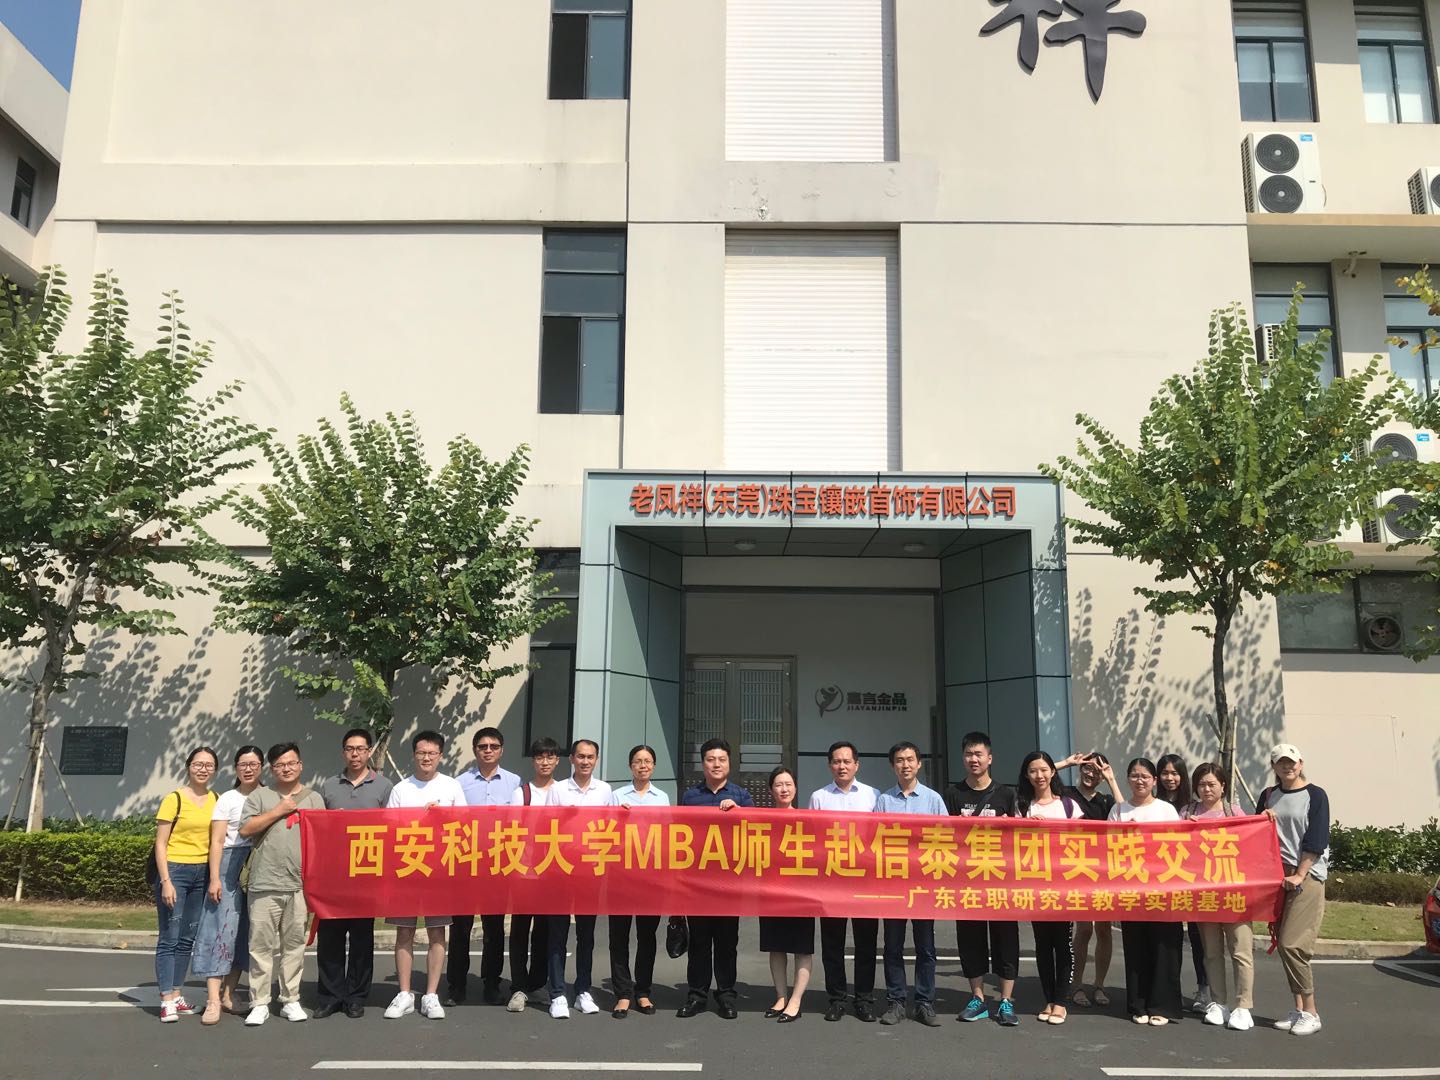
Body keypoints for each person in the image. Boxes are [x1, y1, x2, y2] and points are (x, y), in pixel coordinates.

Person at [239, 742, 326, 1027]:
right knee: (260, 946)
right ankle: (259, 1002)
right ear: (272, 769)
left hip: (300, 885)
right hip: (264, 882)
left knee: (294, 945)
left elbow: (324, 837)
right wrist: (279, 810)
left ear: (300, 765)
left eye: (291, 763)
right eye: (280, 765)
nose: (286, 768)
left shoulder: (314, 798)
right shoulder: (260, 796)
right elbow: (246, 829)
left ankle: (290, 999)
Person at [383, 729, 466, 1021]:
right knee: (403, 932)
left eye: (431, 753)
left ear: (440, 755)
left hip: (439, 870)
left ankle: (431, 994)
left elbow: (465, 825)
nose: (426, 758)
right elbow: (389, 828)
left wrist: (443, 815)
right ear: (414, 755)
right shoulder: (401, 788)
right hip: (407, 869)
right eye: (421, 752)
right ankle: (405, 993)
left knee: (437, 932)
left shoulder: (452, 786)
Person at [315, 728, 394, 1018]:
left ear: (369, 752)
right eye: (350, 749)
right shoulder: (329, 786)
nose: (355, 754)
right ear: (343, 752)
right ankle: (330, 996)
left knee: (362, 939)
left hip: (367, 873)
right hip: (334, 875)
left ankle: (356, 996)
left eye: (361, 749)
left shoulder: (384, 786)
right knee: (330, 938)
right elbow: (318, 829)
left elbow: (393, 827)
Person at [945, 731, 1021, 1028]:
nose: (973, 759)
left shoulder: (1006, 794)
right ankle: (977, 998)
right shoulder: (953, 794)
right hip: (967, 882)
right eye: (968, 754)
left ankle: (1006, 1001)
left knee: (1006, 940)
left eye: (979, 754)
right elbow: (943, 836)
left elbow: (1019, 836)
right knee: (970, 940)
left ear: (990, 758)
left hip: (1001, 882)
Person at [676, 737, 754, 1019]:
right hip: (698, 883)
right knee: (699, 942)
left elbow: (756, 834)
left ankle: (726, 996)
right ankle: (696, 996)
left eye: (721, 759)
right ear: (703, 763)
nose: (716, 764)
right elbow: (679, 838)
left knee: (726, 943)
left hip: (729, 883)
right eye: (711, 760)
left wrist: (740, 813)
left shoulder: (742, 796)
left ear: (729, 763)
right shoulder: (690, 797)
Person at [447, 726, 522, 1008]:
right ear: (475, 750)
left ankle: (492, 983)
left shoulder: (514, 782)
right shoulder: (460, 783)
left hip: (498, 863)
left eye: (493, 746)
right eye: (482, 746)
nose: (488, 751)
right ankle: (456, 985)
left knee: (494, 928)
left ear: (501, 750)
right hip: (466, 861)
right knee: (461, 927)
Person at [1258, 743, 1329, 1038]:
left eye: (1292, 761)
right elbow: (1256, 832)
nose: (1287, 766)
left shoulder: (1316, 795)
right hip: (1279, 875)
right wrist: (1264, 819)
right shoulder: (1268, 796)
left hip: (1307, 874)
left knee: (1292, 944)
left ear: (1301, 763)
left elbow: (1317, 837)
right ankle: (1299, 1009)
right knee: (1282, 943)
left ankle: (1311, 1012)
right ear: (1274, 767)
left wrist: (1300, 874)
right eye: (1280, 762)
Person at [874, 740, 946, 1027]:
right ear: (893, 766)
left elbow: (947, 839)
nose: (905, 765)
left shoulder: (933, 800)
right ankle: (896, 1001)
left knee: (925, 946)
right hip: (893, 885)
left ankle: (925, 1002)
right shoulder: (883, 801)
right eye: (900, 760)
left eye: (910, 759)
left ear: (919, 764)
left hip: (924, 886)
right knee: (892, 946)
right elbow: (875, 841)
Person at [1108, 757, 1183, 1027]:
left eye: (1145, 776)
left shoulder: (1166, 810)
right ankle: (1138, 1003)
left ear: (1154, 780)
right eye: (1134, 775)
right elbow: (1109, 849)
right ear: (1128, 779)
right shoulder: (1118, 810)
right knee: (1136, 947)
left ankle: (1162, 1005)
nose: (1139, 781)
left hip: (1163, 891)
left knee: (1164, 948)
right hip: (1132, 892)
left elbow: (1178, 847)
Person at [808, 740, 879, 1023]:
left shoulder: (873, 796)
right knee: (832, 944)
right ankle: (836, 999)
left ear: (856, 765)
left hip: (865, 882)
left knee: (866, 943)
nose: (842, 766)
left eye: (847, 761)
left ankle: (864, 999)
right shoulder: (819, 797)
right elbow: (812, 838)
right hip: (831, 881)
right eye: (836, 761)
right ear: (829, 766)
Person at [192, 744, 263, 1025]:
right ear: (236, 768)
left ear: (261, 768)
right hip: (228, 866)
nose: (248, 769)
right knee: (218, 930)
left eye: (253, 764)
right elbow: (218, 840)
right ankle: (212, 999)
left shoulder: (268, 797)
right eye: (243, 764)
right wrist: (214, 878)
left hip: (258, 866)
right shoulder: (227, 799)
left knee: (244, 932)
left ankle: (229, 993)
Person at [1183, 762, 1254, 1032]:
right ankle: (1218, 1002)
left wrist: (1266, 819)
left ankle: (1243, 1005)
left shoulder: (1234, 812)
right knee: (1211, 952)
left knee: (1240, 951)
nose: (1206, 789)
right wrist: (1184, 828)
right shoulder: (1187, 812)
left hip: (1234, 894)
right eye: (1201, 784)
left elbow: (1252, 841)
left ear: (1223, 786)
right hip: (1205, 895)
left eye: (1212, 784)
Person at [1016, 750, 1085, 1024]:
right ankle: (1048, 999)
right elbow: (1011, 843)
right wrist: (1025, 827)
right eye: (1033, 770)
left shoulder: (1068, 806)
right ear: (1026, 775)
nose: (1039, 775)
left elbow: (1084, 842)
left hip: (1064, 887)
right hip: (1035, 887)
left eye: (1044, 770)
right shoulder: (1022, 807)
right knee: (1042, 945)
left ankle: (1061, 1001)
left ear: (1053, 772)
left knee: (1063, 943)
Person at [546, 738, 613, 1019]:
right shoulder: (558, 789)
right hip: (561, 870)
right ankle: (557, 994)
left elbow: (611, 828)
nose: (585, 761)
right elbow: (546, 827)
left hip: (590, 872)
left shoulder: (605, 790)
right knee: (557, 935)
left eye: (590, 757)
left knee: (586, 935)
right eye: (581, 756)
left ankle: (583, 990)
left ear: (596, 760)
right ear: (572, 759)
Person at [153, 746, 219, 1023]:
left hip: (202, 873)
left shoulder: (216, 799)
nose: (203, 769)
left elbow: (217, 841)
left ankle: (177, 993)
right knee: (169, 937)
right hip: (176, 871)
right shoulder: (174, 799)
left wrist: (213, 877)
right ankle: (166, 998)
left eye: (209, 765)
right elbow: (160, 843)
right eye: (198, 764)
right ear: (188, 766)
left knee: (187, 939)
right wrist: (166, 881)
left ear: (215, 770)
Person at [608, 743, 669, 1019]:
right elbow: (606, 832)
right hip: (621, 875)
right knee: (618, 936)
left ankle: (643, 991)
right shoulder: (617, 795)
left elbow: (667, 836)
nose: (642, 766)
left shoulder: (662, 797)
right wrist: (616, 816)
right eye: (637, 761)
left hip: (650, 877)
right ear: (630, 766)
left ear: (653, 766)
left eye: (647, 761)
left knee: (646, 936)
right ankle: (622, 993)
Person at [1055, 750, 1116, 1007]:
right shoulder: (1066, 794)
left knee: (1104, 929)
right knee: (1084, 929)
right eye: (1087, 768)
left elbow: (1123, 815)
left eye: (1097, 770)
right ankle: (1076, 984)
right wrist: (1067, 763)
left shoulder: (1106, 801)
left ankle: (1099, 985)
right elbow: (1040, 775)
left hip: (1104, 872)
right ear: (1080, 769)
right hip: (1077, 870)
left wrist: (1112, 780)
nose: (1091, 773)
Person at [505, 736, 562, 1012]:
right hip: (525, 871)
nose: (545, 762)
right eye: (540, 757)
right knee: (519, 930)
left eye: (550, 757)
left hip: (553, 871)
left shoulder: (563, 791)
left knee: (543, 930)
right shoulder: (522, 793)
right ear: (533, 761)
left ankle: (537, 983)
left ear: (557, 760)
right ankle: (518, 986)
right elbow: (513, 831)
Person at [760, 766, 814, 1023]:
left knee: (801, 949)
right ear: (771, 790)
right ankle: (781, 996)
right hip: (771, 893)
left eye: (788, 784)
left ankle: (796, 1001)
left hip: (801, 895)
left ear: (795, 788)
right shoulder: (762, 821)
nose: (784, 789)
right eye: (778, 785)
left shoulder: (808, 820)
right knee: (776, 947)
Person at [1157, 752, 1209, 1011]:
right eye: (1165, 773)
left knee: (1199, 938)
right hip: (1163, 882)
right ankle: (1169, 991)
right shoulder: (1153, 805)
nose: (1170, 778)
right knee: (1169, 939)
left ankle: (1204, 989)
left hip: (1193, 880)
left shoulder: (1193, 807)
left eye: (1175, 773)